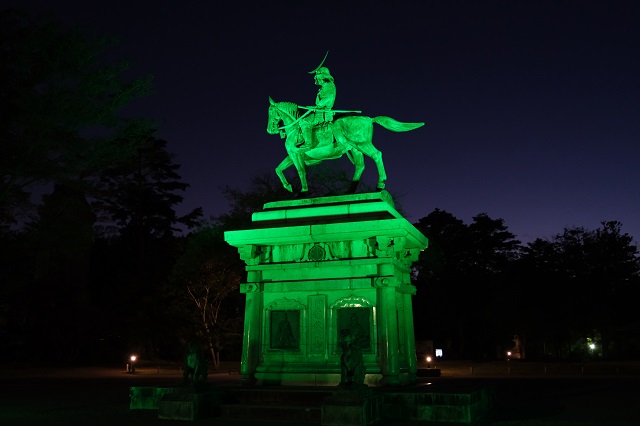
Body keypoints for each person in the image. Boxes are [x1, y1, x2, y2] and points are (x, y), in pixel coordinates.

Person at [298, 64, 336, 148]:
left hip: (323, 113)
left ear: (323, 77)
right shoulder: (324, 87)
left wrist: (318, 105)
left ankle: (308, 143)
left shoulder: (329, 86)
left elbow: (329, 98)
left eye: (318, 78)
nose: (317, 80)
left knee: (304, 122)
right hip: (319, 111)